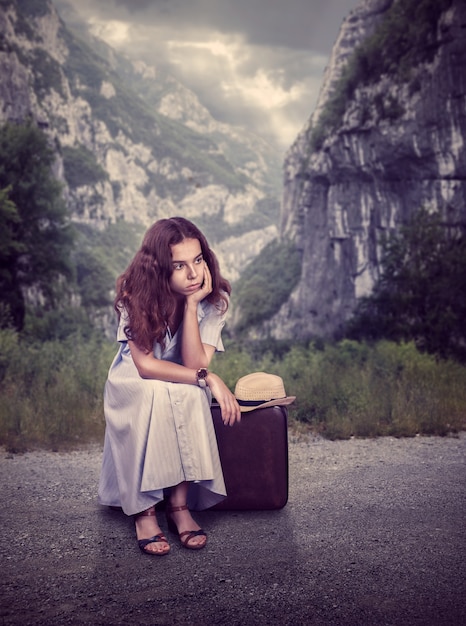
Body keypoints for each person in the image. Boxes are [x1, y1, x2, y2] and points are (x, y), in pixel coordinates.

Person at [98, 217, 241, 556]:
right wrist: (209, 379)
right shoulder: (135, 295)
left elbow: (194, 366)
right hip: (134, 379)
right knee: (156, 393)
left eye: (197, 260)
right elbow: (145, 366)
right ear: (159, 268)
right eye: (179, 265)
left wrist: (192, 306)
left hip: (181, 377)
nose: (193, 274)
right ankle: (145, 512)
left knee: (190, 392)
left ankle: (178, 507)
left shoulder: (213, 301)